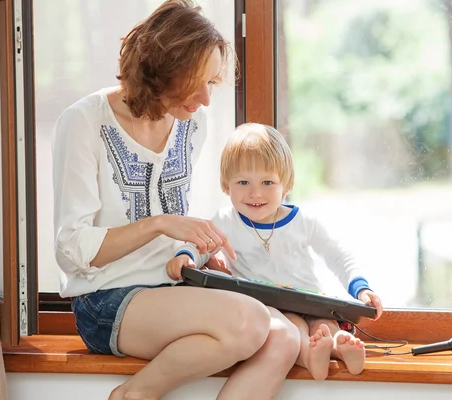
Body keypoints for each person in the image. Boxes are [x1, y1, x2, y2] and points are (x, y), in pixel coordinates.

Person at [52, 2, 301, 399]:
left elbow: (185, 228)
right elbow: (72, 251)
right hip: (106, 300)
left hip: (173, 286)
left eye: (212, 83)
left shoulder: (192, 123)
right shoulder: (84, 121)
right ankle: (134, 395)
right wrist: (159, 223)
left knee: (284, 337)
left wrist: (202, 250)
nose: (204, 99)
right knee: (251, 321)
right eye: (194, 82)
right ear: (157, 69)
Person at [166, 123, 384, 380]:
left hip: (312, 300)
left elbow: (337, 256)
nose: (255, 193)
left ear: (286, 184)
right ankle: (313, 356)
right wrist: (185, 256)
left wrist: (361, 288)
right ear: (227, 186)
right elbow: (199, 245)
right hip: (269, 309)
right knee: (296, 328)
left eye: (267, 182)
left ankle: (342, 346)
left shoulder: (303, 221)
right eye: (243, 182)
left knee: (326, 326)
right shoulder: (226, 221)